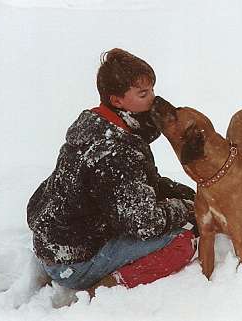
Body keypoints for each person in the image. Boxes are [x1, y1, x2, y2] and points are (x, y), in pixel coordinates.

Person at [27, 48, 197, 297]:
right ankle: (103, 290)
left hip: (55, 246)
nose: (153, 99)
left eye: (151, 90)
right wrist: (185, 208)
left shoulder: (98, 127)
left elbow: (139, 183)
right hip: (74, 263)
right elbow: (144, 224)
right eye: (143, 94)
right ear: (117, 100)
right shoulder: (116, 152)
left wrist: (186, 193)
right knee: (183, 242)